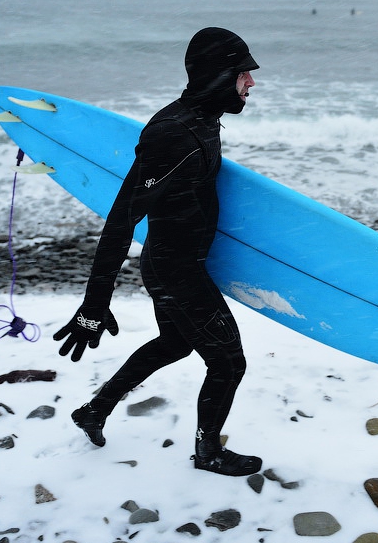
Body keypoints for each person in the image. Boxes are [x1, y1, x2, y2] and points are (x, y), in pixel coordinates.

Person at [52, 27, 262, 477]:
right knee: (229, 362)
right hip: (176, 269)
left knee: (175, 343)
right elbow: (122, 218)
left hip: (177, 263)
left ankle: (94, 411)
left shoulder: (203, 119)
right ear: (218, 75)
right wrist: (94, 302)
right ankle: (208, 453)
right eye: (244, 72)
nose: (252, 82)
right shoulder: (173, 134)